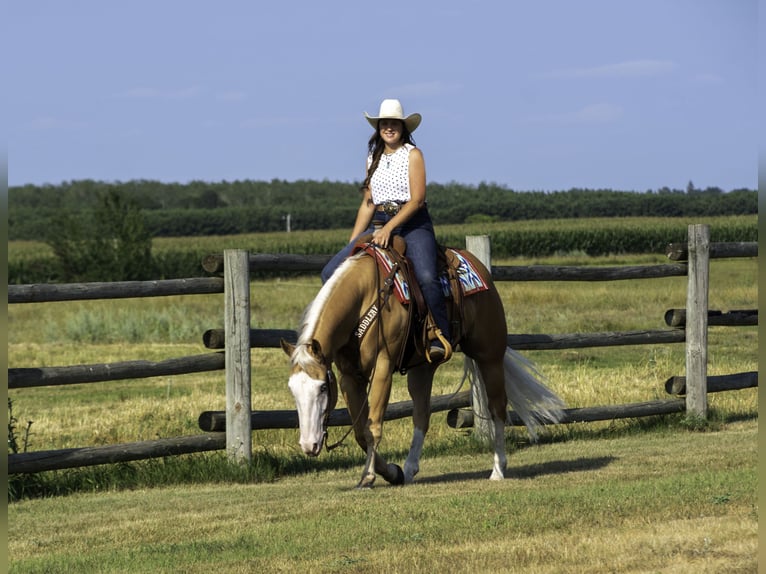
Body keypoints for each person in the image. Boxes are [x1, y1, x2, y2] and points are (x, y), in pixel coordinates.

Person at [321, 99, 451, 363]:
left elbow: (417, 200)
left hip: (413, 224)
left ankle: (439, 333)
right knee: (330, 272)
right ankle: (347, 334)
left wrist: (391, 228)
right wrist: (354, 241)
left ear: (403, 127)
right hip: (378, 222)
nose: (389, 128)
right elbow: (369, 202)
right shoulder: (373, 157)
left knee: (426, 276)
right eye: (385, 124)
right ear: (378, 127)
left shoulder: (413, 154)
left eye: (394, 123)